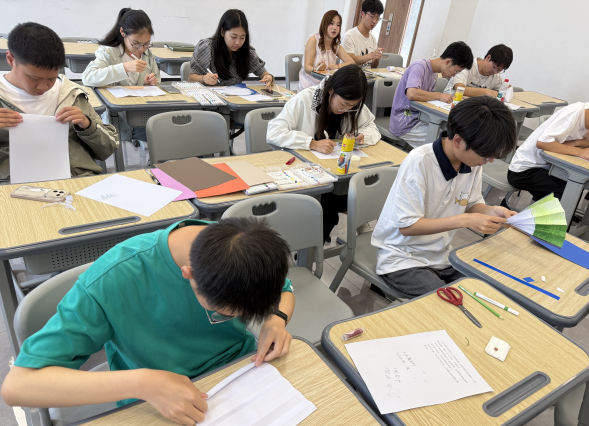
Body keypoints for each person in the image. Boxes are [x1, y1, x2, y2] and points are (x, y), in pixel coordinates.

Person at [1, 217, 295, 426]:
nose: (237, 319)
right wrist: (142, 383)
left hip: (240, 374)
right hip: (156, 397)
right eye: (225, 313)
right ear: (189, 275)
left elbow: (284, 288)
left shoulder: (242, 250)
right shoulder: (110, 282)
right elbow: (19, 386)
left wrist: (277, 319)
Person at [372, 97, 518, 297]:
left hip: (441, 256)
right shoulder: (420, 162)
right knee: (451, 304)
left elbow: (471, 203)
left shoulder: (472, 162)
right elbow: (407, 226)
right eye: (485, 156)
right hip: (402, 258)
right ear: (458, 141)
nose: (489, 161)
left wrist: (491, 211)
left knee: (488, 291)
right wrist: (466, 220)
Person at [266, 64, 381, 242]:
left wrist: (363, 136)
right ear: (331, 91)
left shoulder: (352, 104)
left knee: (366, 189)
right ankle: (312, 244)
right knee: (329, 205)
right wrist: (311, 143)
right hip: (304, 170)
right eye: (344, 104)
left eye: (352, 106)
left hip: (335, 170)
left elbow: (372, 127)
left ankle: (345, 221)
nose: (346, 110)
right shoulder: (305, 99)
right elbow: (274, 132)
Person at [0, 22, 118, 181]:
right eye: (33, 78)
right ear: (10, 59)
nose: (43, 87)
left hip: (74, 181)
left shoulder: (71, 93)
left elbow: (109, 148)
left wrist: (88, 125)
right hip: (12, 185)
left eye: (51, 78)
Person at [508, 103, 589, 201]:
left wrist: (574, 143)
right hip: (524, 169)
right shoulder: (573, 114)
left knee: (575, 187)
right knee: (569, 190)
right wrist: (579, 152)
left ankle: (558, 217)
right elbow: (542, 143)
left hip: (548, 167)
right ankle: (543, 225)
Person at [82, 8, 159, 148]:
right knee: (163, 133)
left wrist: (149, 82)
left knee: (170, 128)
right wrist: (123, 68)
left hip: (143, 112)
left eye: (146, 44)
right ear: (123, 32)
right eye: (136, 43)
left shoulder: (147, 54)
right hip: (120, 118)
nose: (141, 49)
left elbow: (156, 79)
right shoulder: (109, 52)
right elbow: (88, 77)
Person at [389, 41, 474, 148]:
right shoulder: (419, 66)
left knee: (452, 137)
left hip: (420, 119)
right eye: (456, 71)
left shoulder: (434, 73)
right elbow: (412, 93)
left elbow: (427, 98)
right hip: (405, 122)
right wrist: (439, 95)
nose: (454, 75)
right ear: (448, 62)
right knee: (446, 145)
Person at [189, 9, 274, 89]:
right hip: (211, 97)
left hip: (235, 97)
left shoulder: (247, 52)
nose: (238, 42)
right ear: (222, 32)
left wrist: (269, 78)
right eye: (233, 37)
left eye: (242, 38)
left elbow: (266, 75)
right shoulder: (207, 48)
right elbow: (191, 79)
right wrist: (203, 78)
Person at [298, 10, 355, 90]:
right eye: (331, 23)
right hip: (309, 87)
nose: (335, 28)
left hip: (326, 86)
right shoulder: (313, 40)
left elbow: (352, 62)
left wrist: (337, 66)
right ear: (324, 24)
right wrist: (317, 69)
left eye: (338, 25)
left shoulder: (336, 46)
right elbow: (307, 68)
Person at [343, 0, 385, 69]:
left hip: (367, 75)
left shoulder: (373, 39)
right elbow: (350, 60)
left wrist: (376, 57)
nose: (375, 21)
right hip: (352, 74)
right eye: (372, 16)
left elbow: (373, 67)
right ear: (362, 14)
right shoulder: (349, 36)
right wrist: (371, 55)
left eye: (377, 18)